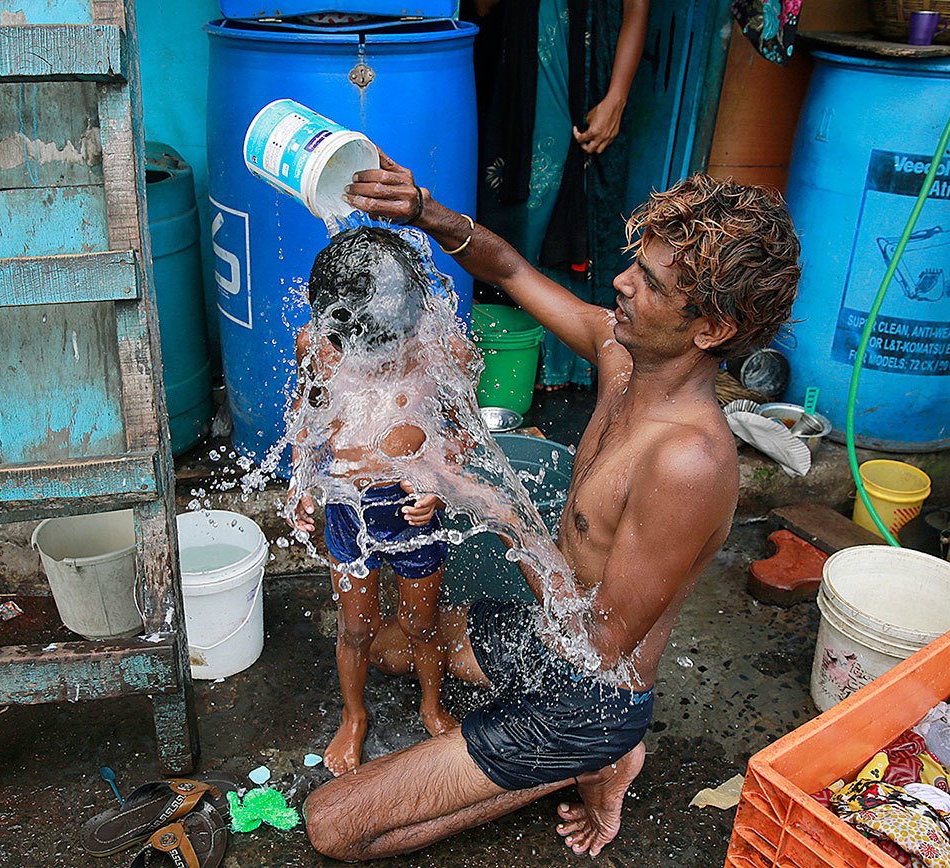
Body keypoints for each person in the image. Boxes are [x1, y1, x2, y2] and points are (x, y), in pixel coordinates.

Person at [298, 153, 801, 859]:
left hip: (588, 696)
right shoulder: (619, 354)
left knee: (332, 826)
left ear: (711, 329)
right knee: (388, 646)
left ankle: (594, 759)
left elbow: (599, 643)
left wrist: (489, 504)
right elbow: (506, 270)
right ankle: (571, 757)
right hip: (546, 634)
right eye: (636, 263)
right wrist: (423, 211)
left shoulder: (687, 463)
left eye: (649, 282)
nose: (621, 282)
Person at [289, 226, 470, 776]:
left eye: (380, 351)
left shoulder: (444, 349)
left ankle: (431, 704)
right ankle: (354, 716)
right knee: (356, 627)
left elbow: (461, 433)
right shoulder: (318, 347)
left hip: (410, 507)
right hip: (347, 504)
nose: (365, 363)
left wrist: (436, 482)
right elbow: (307, 419)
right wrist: (302, 482)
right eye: (353, 351)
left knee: (421, 622)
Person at [469, 0, 650, 390]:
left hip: (586, 76)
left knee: (570, 213)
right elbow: (482, 9)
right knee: (515, 211)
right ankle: (509, 361)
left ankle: (559, 367)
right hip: (517, 79)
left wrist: (616, 96)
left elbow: (637, 7)